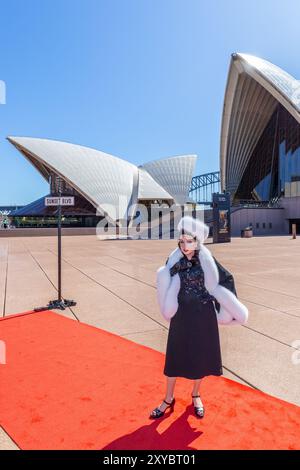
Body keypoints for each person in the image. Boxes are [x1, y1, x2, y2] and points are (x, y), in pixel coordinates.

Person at [150, 215, 248, 419]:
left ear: (197, 241)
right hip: (181, 315)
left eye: (190, 241)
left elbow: (226, 280)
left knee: (200, 357)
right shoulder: (173, 261)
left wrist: (220, 302)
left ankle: (196, 395)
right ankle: (168, 398)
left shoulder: (207, 261)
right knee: (175, 358)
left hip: (204, 316)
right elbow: (164, 283)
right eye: (182, 241)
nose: (185, 246)